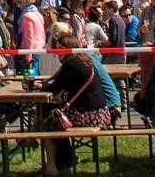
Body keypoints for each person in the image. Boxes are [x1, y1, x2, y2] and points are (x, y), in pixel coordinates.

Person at [38, 25, 112, 175]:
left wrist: (39, 87)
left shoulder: (71, 63)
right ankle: (64, 160)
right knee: (51, 112)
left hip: (90, 116)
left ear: (69, 48)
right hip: (100, 112)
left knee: (48, 116)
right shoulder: (82, 60)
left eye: (60, 48)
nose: (57, 51)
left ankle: (52, 165)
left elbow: (55, 87)